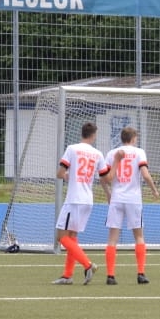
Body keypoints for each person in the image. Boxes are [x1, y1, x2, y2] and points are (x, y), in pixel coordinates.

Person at [98, 126, 160, 285]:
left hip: (117, 198)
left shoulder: (112, 153)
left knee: (112, 238)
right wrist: (154, 190)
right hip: (133, 199)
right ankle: (141, 274)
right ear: (133, 138)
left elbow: (104, 178)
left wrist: (108, 193)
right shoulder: (139, 152)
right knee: (138, 236)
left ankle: (110, 276)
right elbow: (145, 174)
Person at [52, 121, 104, 284]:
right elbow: (105, 176)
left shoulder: (72, 149)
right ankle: (67, 275)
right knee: (72, 237)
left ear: (81, 133)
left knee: (61, 237)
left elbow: (60, 173)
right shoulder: (98, 154)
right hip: (88, 200)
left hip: (74, 199)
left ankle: (88, 265)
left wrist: (67, 175)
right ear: (93, 135)